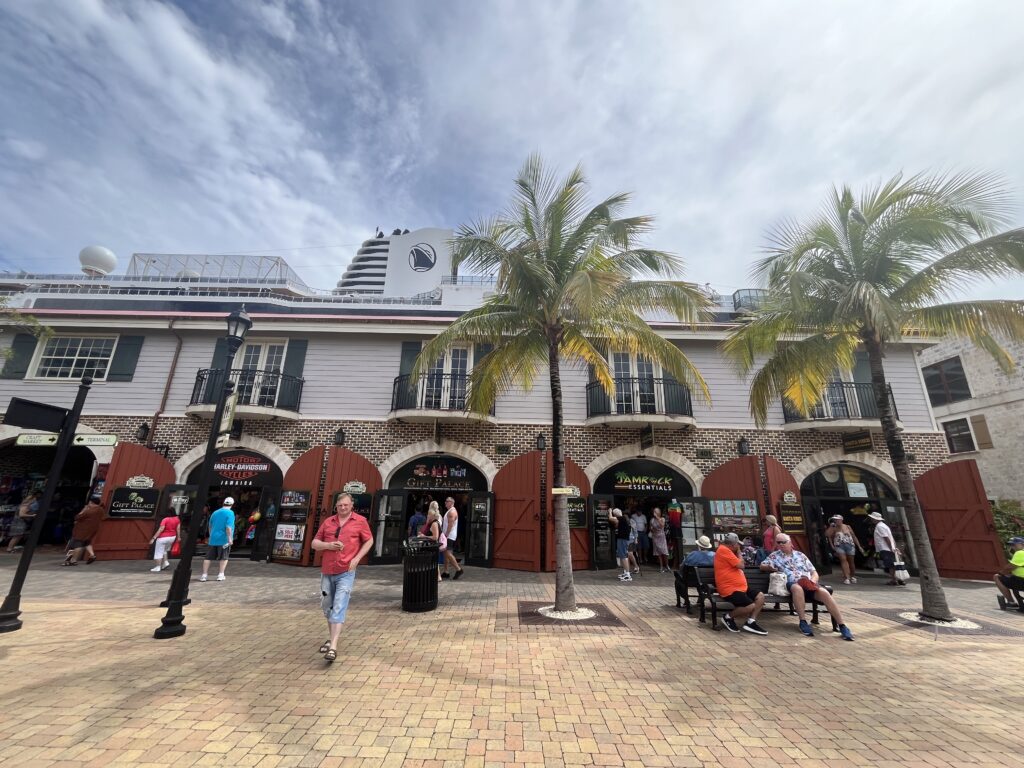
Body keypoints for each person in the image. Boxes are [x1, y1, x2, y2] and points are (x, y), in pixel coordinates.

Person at [310, 493, 373, 663]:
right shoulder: (328, 522)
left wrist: (357, 558)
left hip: (346, 570)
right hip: (327, 570)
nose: (343, 508)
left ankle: (333, 647)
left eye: (346, 505)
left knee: (339, 605)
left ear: (352, 505)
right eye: (340, 506)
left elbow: (369, 540)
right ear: (336, 506)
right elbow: (314, 543)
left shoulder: (360, 521)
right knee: (327, 606)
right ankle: (331, 638)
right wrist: (328, 545)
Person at [761, 533, 854, 640]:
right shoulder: (774, 556)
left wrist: (812, 582)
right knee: (797, 588)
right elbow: (762, 566)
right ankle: (803, 621)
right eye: (778, 542)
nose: (781, 544)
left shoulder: (801, 555)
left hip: (808, 583)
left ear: (790, 542)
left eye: (784, 542)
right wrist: (770, 567)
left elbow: (814, 572)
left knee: (824, 593)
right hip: (792, 583)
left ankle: (842, 625)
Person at [713, 532, 767, 635]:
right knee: (750, 606)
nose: (739, 546)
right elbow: (741, 565)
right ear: (732, 545)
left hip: (740, 587)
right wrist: (738, 552)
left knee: (760, 596)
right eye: (737, 544)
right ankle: (728, 617)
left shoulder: (727, 550)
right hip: (730, 589)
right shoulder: (724, 550)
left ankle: (751, 622)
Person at [200, 496, 235, 582]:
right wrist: (230, 539)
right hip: (224, 539)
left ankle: (204, 575)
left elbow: (210, 526)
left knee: (208, 558)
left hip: (213, 539)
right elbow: (228, 528)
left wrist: (211, 535)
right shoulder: (230, 513)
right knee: (224, 557)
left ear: (224, 503)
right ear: (232, 504)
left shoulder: (215, 512)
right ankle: (220, 574)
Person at [63, 495, 104, 566]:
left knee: (77, 545)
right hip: (93, 529)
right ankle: (92, 555)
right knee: (87, 542)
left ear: (91, 502)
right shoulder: (101, 510)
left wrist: (83, 510)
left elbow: (77, 517)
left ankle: (73, 560)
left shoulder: (89, 511)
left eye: (89, 502)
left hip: (82, 530)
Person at [826, 514, 865, 585]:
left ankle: (852, 576)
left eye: (837, 519)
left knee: (851, 561)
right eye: (835, 519)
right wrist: (831, 527)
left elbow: (854, 536)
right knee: (843, 560)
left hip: (849, 545)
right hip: (839, 545)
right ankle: (847, 577)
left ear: (841, 520)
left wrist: (859, 546)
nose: (836, 521)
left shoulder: (847, 526)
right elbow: (827, 535)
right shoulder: (834, 527)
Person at [867, 510, 904, 585]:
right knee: (894, 564)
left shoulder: (880, 526)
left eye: (872, 518)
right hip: (889, 548)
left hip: (886, 548)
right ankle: (899, 579)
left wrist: (891, 548)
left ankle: (894, 580)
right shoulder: (883, 525)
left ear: (875, 519)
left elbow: (886, 538)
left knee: (890, 565)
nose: (871, 520)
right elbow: (890, 537)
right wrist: (894, 547)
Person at [994, 536, 1024, 609]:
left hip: (1021, 581)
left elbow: (1010, 567)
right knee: (1012, 577)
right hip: (1019, 580)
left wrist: (1001, 573)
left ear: (1022, 544)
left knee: (997, 577)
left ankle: (1011, 602)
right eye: (1011, 545)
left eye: (1014, 544)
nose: (1012, 547)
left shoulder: (1020, 553)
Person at [441, 496, 464, 580]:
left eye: (447, 501)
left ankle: (458, 569)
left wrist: (445, 535)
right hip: (449, 535)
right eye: (445, 501)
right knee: (446, 553)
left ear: (451, 502)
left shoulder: (452, 512)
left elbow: (450, 525)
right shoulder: (450, 511)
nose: (445, 503)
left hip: (449, 536)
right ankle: (446, 572)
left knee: (447, 553)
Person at [609, 508, 633, 582]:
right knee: (622, 555)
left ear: (616, 514)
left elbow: (610, 518)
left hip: (623, 539)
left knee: (623, 556)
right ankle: (625, 572)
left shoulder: (622, 518)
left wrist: (609, 512)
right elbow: (616, 525)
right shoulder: (623, 519)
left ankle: (628, 575)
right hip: (623, 539)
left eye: (614, 514)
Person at [423, 504, 444, 582]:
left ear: (432, 515)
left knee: (433, 561)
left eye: (429, 514)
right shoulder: (434, 523)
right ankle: (436, 576)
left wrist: (425, 536)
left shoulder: (434, 523)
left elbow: (435, 537)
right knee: (434, 562)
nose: (427, 516)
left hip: (433, 545)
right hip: (433, 545)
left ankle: (437, 576)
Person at [649, 507, 670, 572]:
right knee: (658, 553)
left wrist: (657, 518)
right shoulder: (652, 520)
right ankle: (661, 567)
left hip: (661, 537)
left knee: (664, 552)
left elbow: (662, 525)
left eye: (656, 511)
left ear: (659, 512)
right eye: (654, 511)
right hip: (655, 537)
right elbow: (650, 528)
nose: (654, 512)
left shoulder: (662, 519)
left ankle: (666, 565)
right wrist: (652, 529)